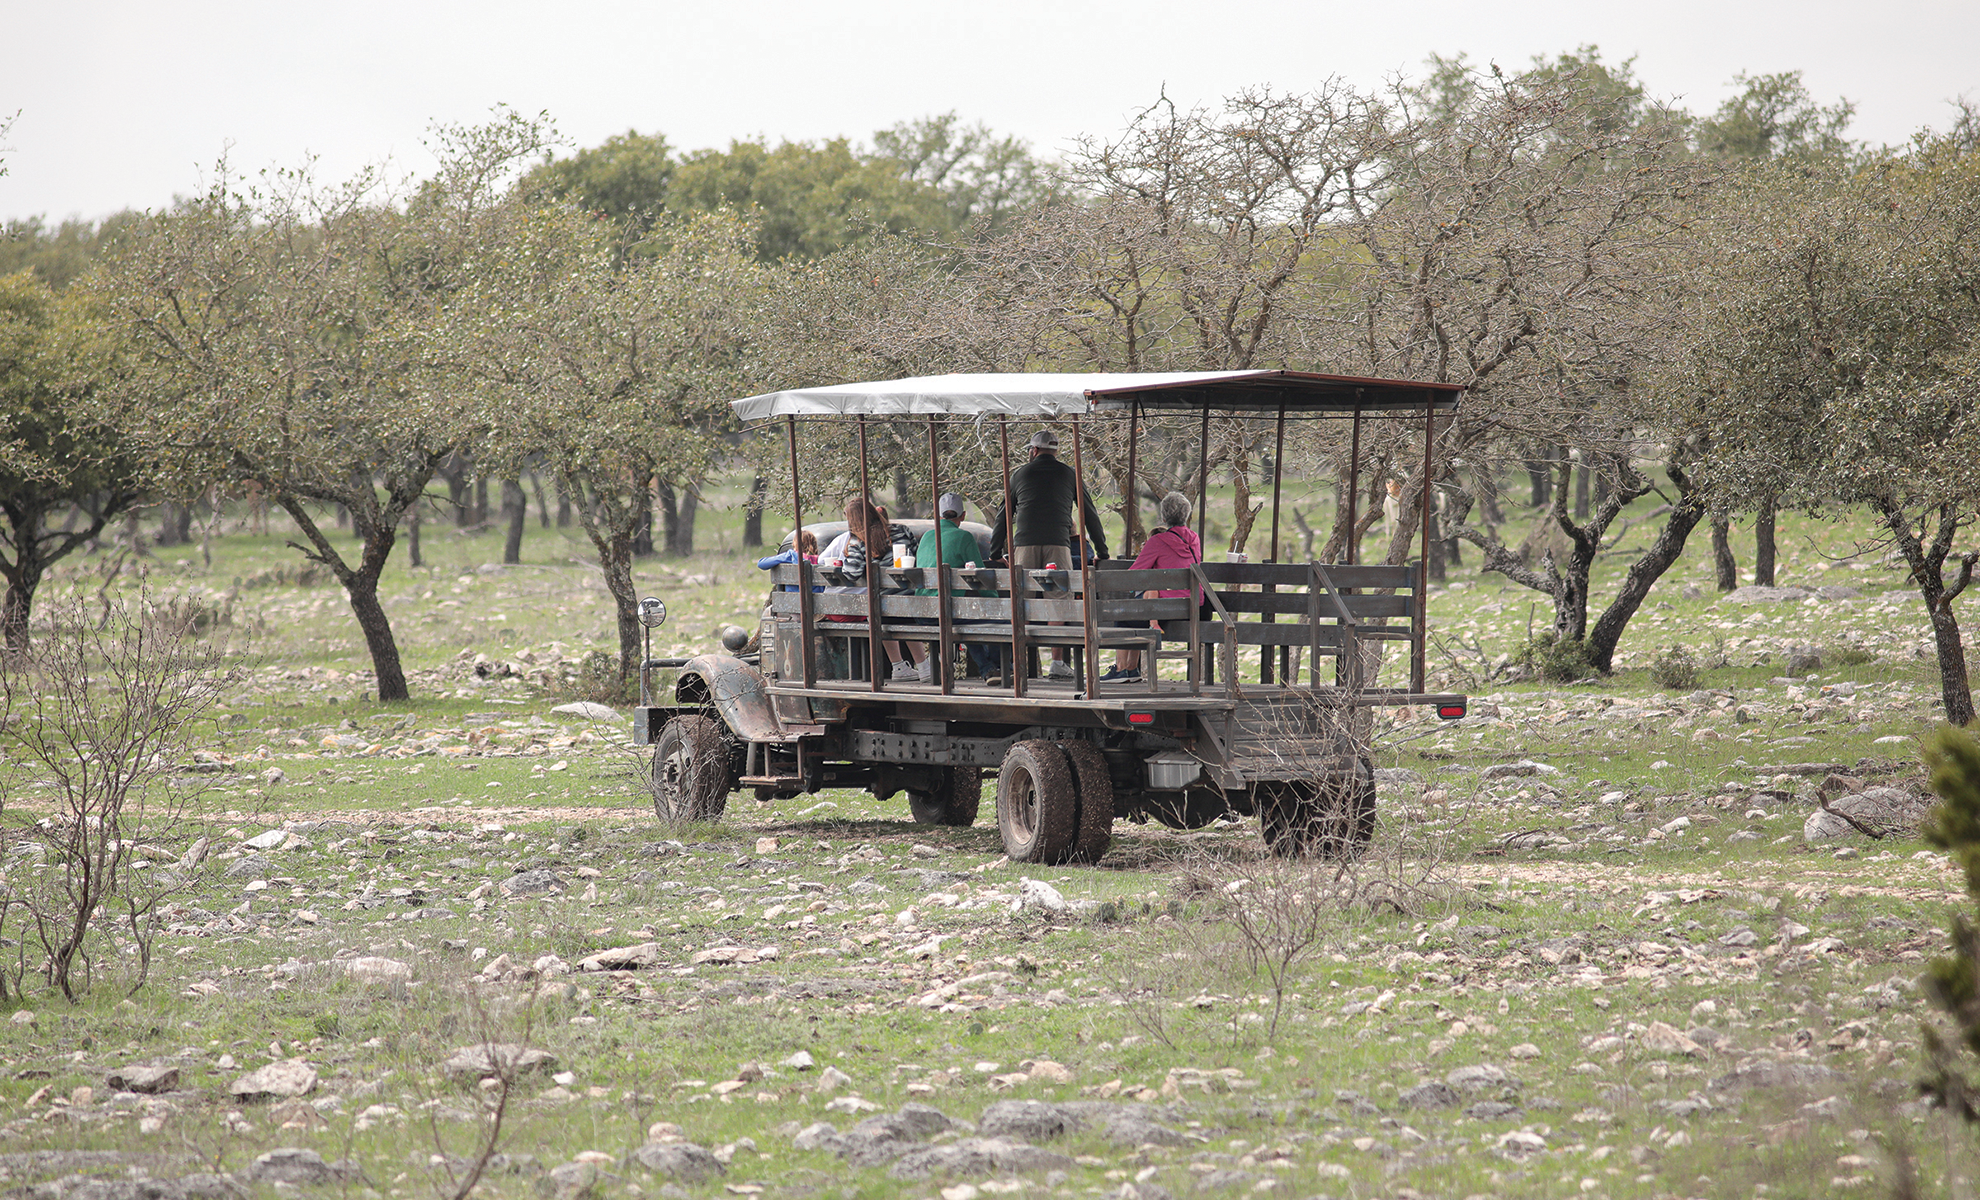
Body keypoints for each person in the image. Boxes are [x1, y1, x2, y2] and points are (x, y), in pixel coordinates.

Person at [988, 429, 1110, 680]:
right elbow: (1089, 513)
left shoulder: (1020, 474)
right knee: (1059, 600)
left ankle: (1017, 662)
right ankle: (1057, 663)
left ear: (1033, 450)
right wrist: (1102, 551)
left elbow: (1003, 514)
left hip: (1024, 546)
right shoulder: (1068, 473)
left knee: (1021, 601)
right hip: (1058, 544)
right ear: (1055, 451)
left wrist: (995, 551)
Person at [1097, 493, 1201, 685]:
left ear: (1163, 517)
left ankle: (1122, 669)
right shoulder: (1194, 539)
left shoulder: (1158, 541)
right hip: (1190, 603)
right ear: (1186, 515)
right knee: (1138, 612)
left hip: (1165, 605)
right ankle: (1131, 669)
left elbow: (1134, 574)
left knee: (1124, 614)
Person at [914, 493, 1005, 686]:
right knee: (1000, 619)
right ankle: (996, 668)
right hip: (946, 611)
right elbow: (980, 577)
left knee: (965, 616)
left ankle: (990, 669)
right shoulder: (964, 537)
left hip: (922, 612)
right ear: (962, 516)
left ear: (937, 516)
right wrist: (995, 602)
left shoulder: (926, 537)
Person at [833, 495, 922, 680]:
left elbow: (851, 574)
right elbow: (917, 555)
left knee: (881, 609)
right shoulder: (901, 530)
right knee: (902, 611)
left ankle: (898, 666)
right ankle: (924, 665)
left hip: (881, 606)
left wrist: (840, 564)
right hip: (912, 598)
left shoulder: (858, 541)